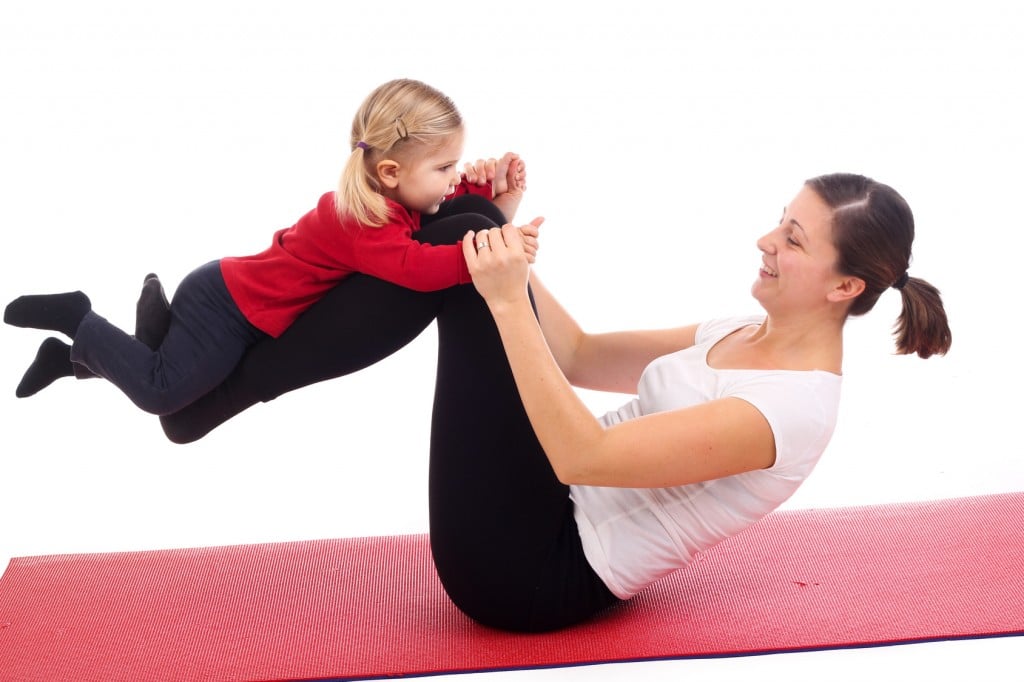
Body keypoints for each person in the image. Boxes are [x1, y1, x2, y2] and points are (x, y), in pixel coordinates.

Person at [107, 173, 960, 632]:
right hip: (544, 506)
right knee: (468, 221)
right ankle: (202, 397)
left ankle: (204, 392)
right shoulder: (741, 328)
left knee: (456, 247)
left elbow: (582, 459)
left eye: (795, 239)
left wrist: (505, 293)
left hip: (535, 576)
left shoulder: (794, 411)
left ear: (846, 285)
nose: (766, 241)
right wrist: (505, 239)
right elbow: (582, 356)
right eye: (780, 221)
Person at [3, 78, 537, 414]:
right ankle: (78, 317)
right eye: (445, 168)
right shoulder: (358, 220)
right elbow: (416, 266)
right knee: (161, 394)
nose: (453, 177)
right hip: (227, 309)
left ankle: (72, 359)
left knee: (180, 390)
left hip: (234, 300)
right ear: (392, 171)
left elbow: (434, 214)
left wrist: (485, 193)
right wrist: (497, 254)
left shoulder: (387, 198)